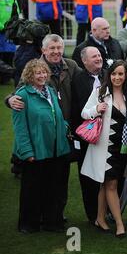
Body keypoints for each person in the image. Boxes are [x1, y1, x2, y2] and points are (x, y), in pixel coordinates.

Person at [6, 34, 80, 225]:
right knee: (35, 184)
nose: (56, 52)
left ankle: (54, 216)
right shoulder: (33, 70)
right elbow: (18, 97)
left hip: (61, 139)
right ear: (43, 50)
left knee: (58, 182)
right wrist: (9, 100)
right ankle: (32, 221)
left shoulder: (70, 66)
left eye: (59, 48)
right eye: (52, 48)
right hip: (39, 141)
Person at [13, 59, 70, 233]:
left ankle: (51, 222)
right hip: (35, 150)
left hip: (56, 148)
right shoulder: (22, 95)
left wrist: (65, 128)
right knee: (32, 189)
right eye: (38, 73)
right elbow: (20, 127)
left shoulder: (51, 91)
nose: (42, 75)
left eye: (44, 72)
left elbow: (57, 115)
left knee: (53, 187)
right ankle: (29, 224)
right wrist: (26, 151)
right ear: (30, 75)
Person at [81, 60, 127, 238]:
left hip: (123, 149)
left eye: (120, 74)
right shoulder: (100, 92)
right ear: (109, 75)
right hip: (104, 149)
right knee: (111, 184)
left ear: (126, 75)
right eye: (114, 74)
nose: (117, 77)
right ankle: (119, 224)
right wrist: (96, 109)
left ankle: (99, 218)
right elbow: (84, 112)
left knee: (106, 185)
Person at [70, 46, 104, 224]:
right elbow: (75, 108)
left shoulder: (109, 75)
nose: (98, 58)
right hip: (85, 136)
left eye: (99, 55)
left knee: (107, 175)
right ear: (84, 61)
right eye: (94, 56)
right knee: (88, 177)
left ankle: (107, 211)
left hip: (107, 135)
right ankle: (93, 214)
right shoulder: (77, 79)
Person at [0, 0, 20, 84]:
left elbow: (15, 14)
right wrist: (2, 27)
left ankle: (6, 77)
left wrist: (12, 25)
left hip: (8, 32)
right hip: (1, 31)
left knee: (9, 53)